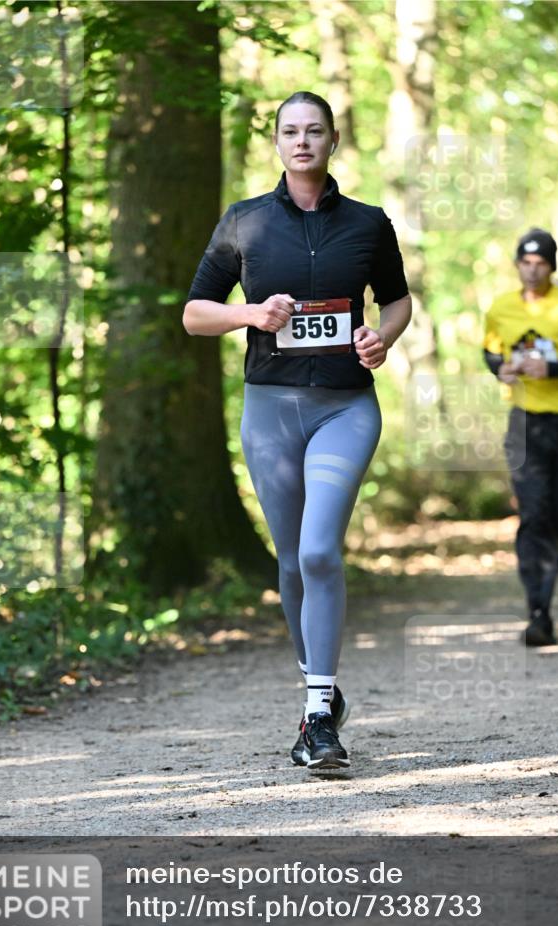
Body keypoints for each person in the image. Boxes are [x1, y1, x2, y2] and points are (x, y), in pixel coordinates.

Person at [183, 91, 411, 772]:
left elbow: (397, 300)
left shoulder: (368, 223)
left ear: (334, 140)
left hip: (345, 408)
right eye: (290, 131)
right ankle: (322, 689)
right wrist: (250, 315)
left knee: (318, 553)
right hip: (271, 412)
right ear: (277, 142)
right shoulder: (244, 222)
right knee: (289, 559)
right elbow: (195, 313)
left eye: (314, 130)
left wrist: (382, 338)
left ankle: (316, 721)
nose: (302, 141)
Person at [483, 228, 558, 646]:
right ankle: (539, 615)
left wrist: (554, 370)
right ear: (517, 265)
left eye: (541, 264)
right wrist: (499, 368)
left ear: (552, 267)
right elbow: (491, 351)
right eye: (526, 263)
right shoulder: (501, 308)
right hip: (524, 423)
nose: (532, 271)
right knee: (534, 517)